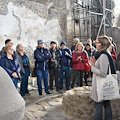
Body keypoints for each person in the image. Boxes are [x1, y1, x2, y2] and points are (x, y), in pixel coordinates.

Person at [89, 35, 115, 120]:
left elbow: (103, 73)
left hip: (101, 85)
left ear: (103, 45)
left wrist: (92, 67)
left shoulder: (104, 56)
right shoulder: (102, 54)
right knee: (106, 105)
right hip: (103, 84)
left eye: (98, 42)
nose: (96, 43)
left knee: (99, 105)